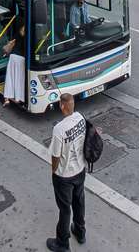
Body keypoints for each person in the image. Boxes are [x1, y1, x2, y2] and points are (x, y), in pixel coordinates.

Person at [47, 93, 87, 251]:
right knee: (79, 201)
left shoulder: (59, 129)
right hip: (80, 170)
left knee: (65, 209)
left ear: (62, 106)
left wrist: (54, 171)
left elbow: (55, 155)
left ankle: (62, 243)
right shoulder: (81, 118)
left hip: (64, 176)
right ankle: (80, 231)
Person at [2, 20, 27, 109]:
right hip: (22, 59)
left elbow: (11, 43)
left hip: (13, 57)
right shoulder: (30, 36)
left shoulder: (17, 33)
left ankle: (7, 99)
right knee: (19, 79)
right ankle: (18, 98)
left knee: (10, 78)